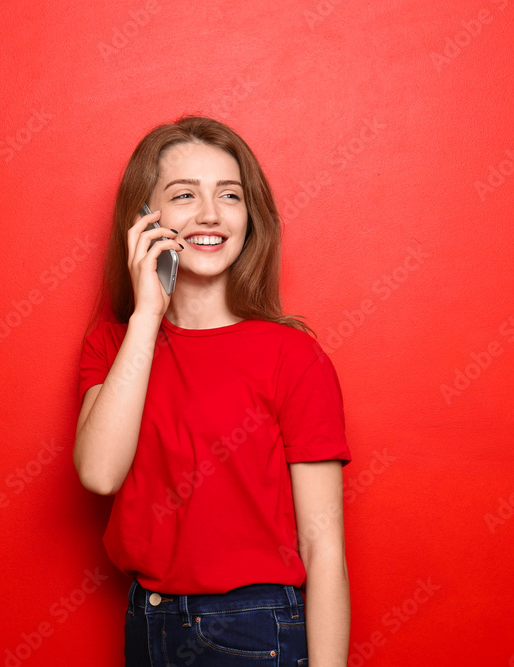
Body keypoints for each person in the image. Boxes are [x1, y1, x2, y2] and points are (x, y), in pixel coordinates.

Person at [74, 115, 352, 666]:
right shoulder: (114, 345)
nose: (209, 214)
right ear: (144, 218)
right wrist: (150, 312)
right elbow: (99, 473)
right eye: (183, 195)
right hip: (146, 621)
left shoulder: (292, 356)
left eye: (230, 195)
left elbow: (324, 549)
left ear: (250, 217)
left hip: (252, 630)